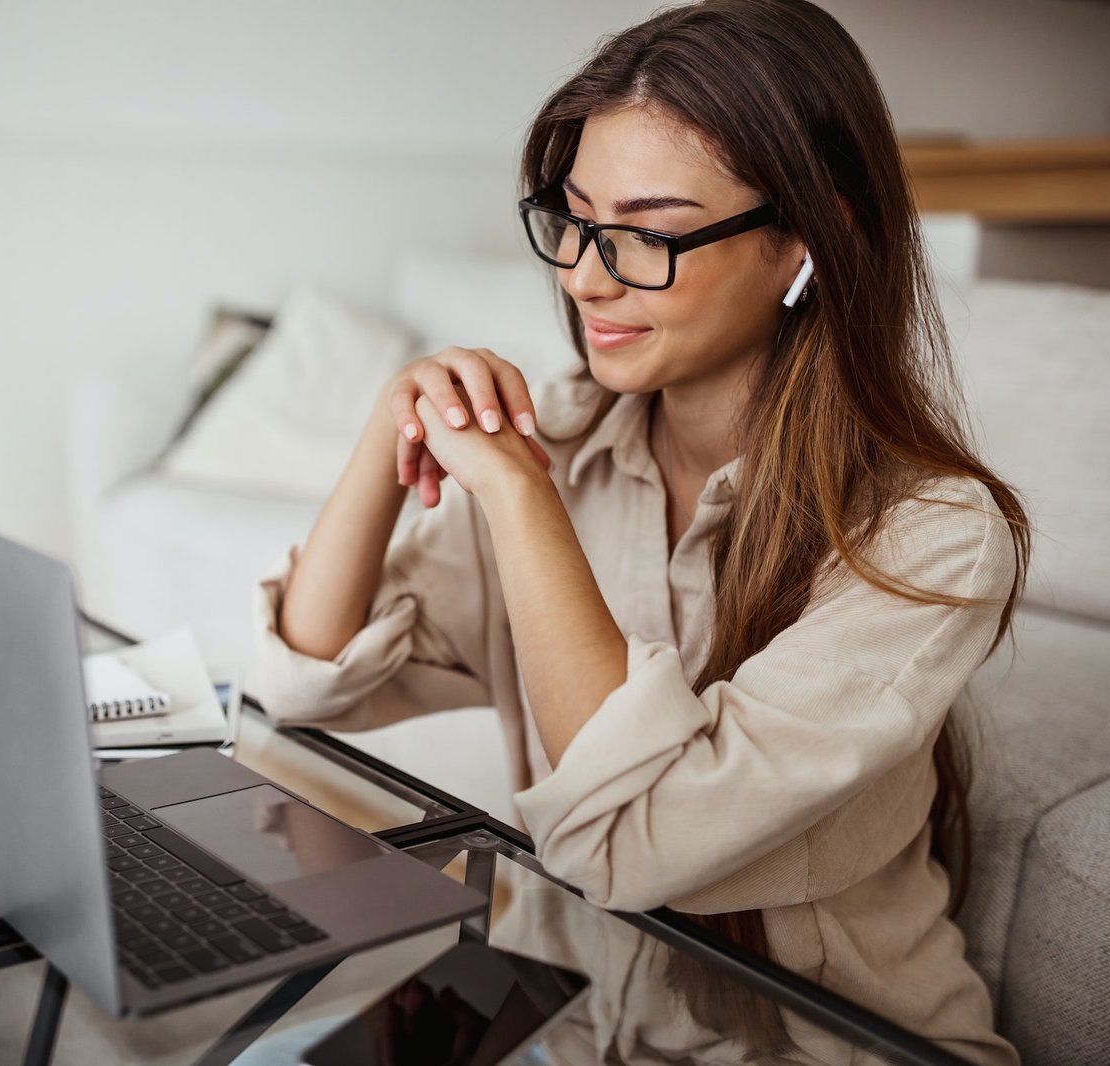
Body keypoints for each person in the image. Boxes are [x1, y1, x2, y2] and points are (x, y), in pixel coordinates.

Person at [248, 0, 1029, 1062]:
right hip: (575, 1021)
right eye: (572, 219)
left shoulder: (928, 536)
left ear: (812, 237)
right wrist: (390, 424)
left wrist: (523, 501)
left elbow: (628, 841)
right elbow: (300, 688)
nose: (582, 275)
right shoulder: (564, 443)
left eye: (649, 233)